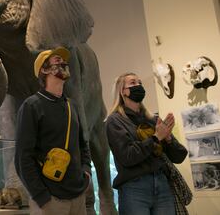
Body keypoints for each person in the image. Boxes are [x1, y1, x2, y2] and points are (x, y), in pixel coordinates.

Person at [14, 47, 92, 215]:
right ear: (44, 69)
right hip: (51, 202)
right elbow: (22, 157)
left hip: (78, 198)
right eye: (56, 60)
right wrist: (41, 197)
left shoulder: (72, 106)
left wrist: (86, 172)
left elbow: (82, 144)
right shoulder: (32, 106)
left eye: (63, 61)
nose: (63, 62)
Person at [106, 72, 188, 215]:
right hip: (134, 188)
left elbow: (179, 156)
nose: (139, 85)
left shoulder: (153, 119)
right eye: (132, 83)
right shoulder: (114, 121)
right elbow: (127, 156)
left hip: (162, 184)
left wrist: (168, 138)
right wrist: (156, 138)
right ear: (122, 91)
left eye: (140, 82)